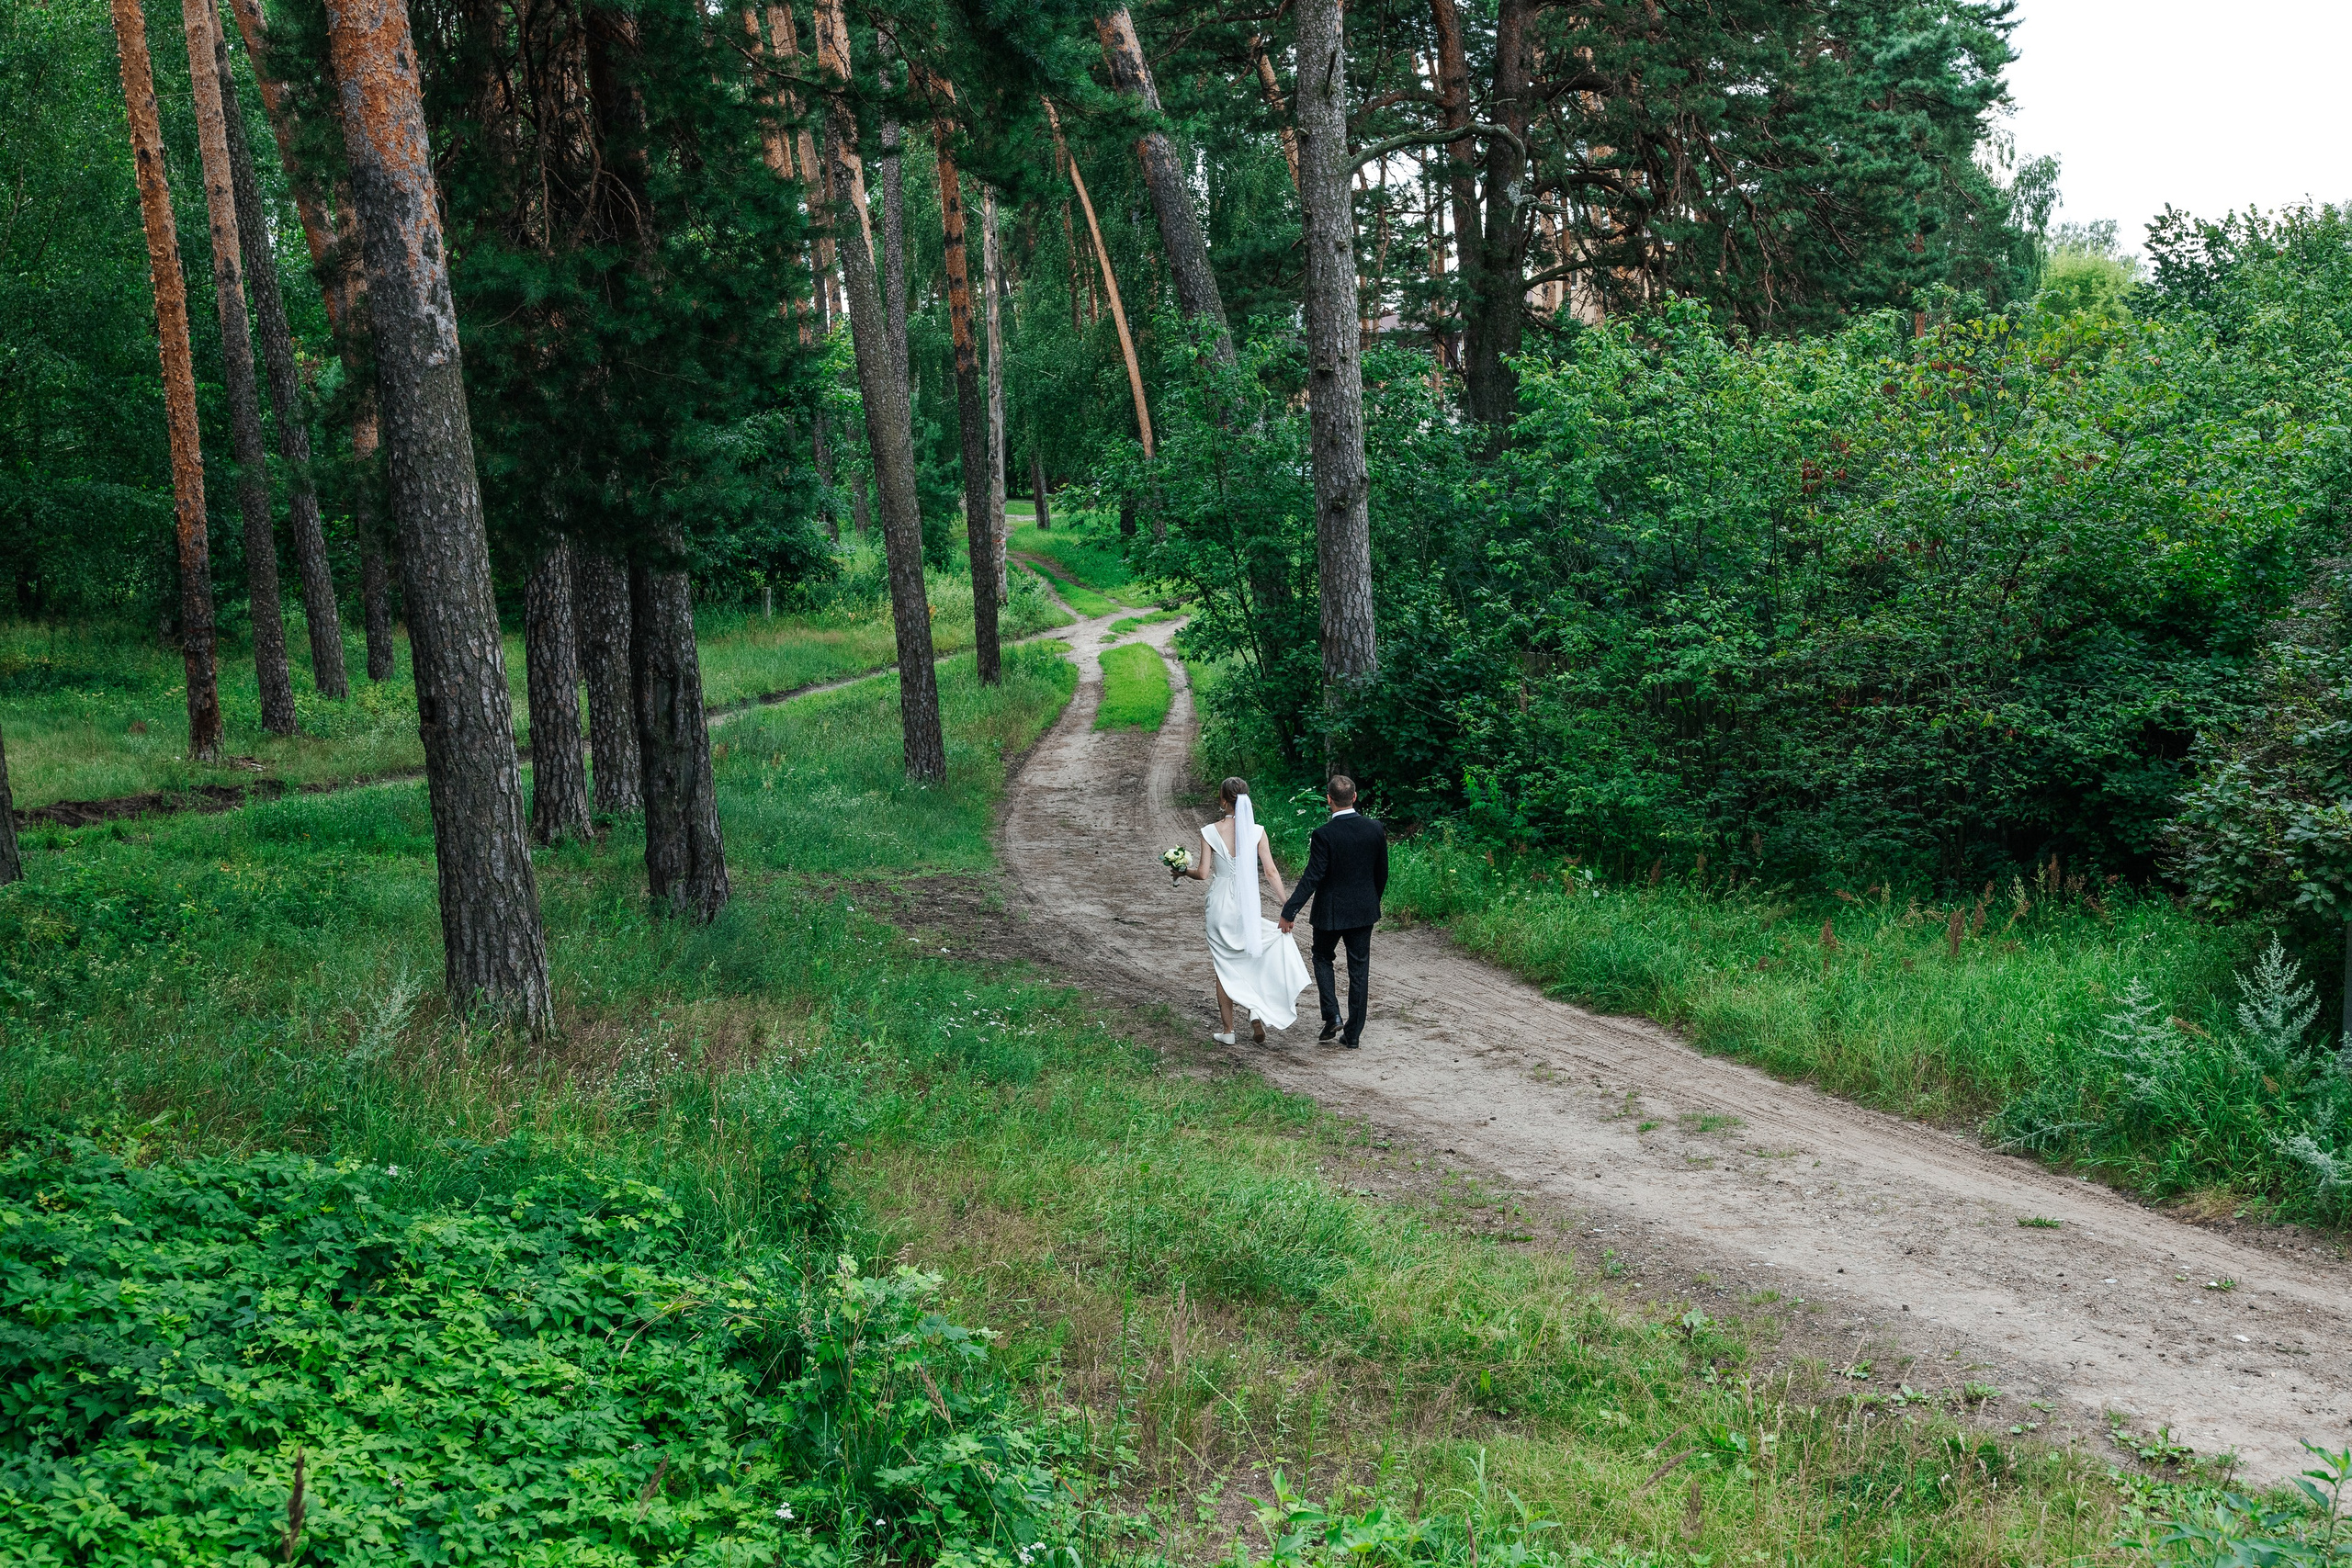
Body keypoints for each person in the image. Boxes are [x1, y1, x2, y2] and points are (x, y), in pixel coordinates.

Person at [1174, 777, 1310, 1044]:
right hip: (1247, 904)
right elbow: (1270, 871)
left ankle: (1228, 1031)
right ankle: (1255, 1012)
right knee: (1252, 956)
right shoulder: (1257, 831)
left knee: (1223, 965)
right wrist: (1286, 904)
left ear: (1223, 800)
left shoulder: (1209, 831)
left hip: (1221, 904)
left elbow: (1202, 874)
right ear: (1247, 799)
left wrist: (1181, 871)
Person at [1278, 775, 1387, 1047]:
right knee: (1359, 970)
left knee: (1322, 957)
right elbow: (1381, 873)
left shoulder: (1324, 834)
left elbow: (1312, 877)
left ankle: (1332, 1014)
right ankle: (1353, 1036)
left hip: (1331, 913)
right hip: (1364, 910)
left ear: (1328, 800)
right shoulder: (1375, 829)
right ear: (1354, 797)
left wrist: (1290, 911)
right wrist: (1372, 901)